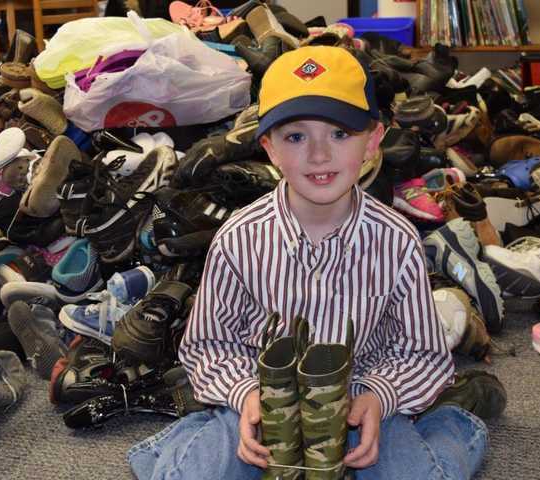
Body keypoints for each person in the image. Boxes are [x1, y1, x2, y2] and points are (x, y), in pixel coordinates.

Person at [128, 45, 493, 480]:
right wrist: (246, 396)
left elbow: (421, 354)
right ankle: (195, 436)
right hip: (266, 403)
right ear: (269, 149)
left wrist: (379, 397)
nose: (319, 155)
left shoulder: (397, 240)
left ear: (373, 140)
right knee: (193, 475)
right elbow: (208, 345)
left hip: (361, 400)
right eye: (296, 137)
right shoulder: (238, 237)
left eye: (340, 134)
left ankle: (454, 420)